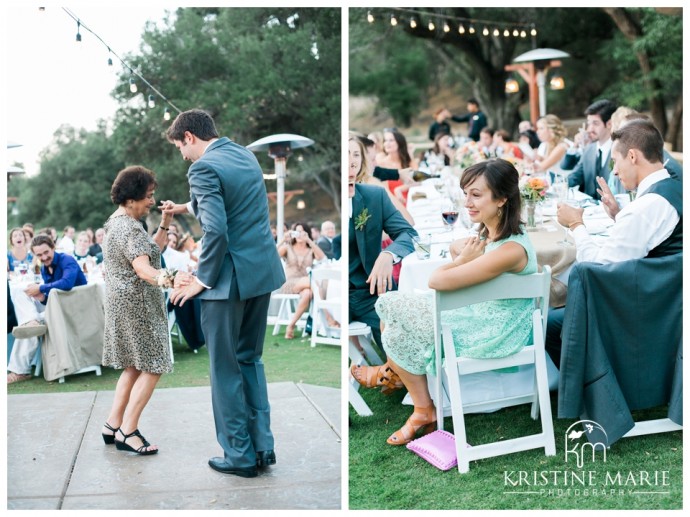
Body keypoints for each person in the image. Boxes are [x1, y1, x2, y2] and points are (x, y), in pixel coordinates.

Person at [352, 158, 538, 445]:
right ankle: (422, 408)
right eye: (466, 194)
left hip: (497, 334)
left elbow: (436, 280)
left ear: (501, 199)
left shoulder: (510, 249)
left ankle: (397, 379)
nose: (467, 202)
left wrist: (462, 259)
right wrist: (460, 255)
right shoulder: (492, 235)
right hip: (479, 317)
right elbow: (460, 265)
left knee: (390, 305)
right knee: (395, 326)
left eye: (476, 195)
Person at [163, 109, 285, 478]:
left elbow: (215, 230)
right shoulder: (244, 154)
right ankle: (262, 447)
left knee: (224, 368)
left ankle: (239, 455)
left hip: (226, 281)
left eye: (179, 148)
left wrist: (203, 278)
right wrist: (187, 205)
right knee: (250, 359)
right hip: (260, 273)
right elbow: (234, 204)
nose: (182, 157)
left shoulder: (201, 168)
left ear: (188, 136)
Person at [546, 119, 682, 367]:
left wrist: (576, 224)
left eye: (615, 162)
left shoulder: (645, 207)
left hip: (643, 307)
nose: (615, 172)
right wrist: (620, 215)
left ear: (632, 156)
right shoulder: (676, 188)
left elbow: (598, 270)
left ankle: (598, 383)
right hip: (670, 301)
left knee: (549, 324)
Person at [99, 165, 174, 456]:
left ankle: (112, 424)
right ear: (131, 198)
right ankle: (128, 431)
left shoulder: (116, 222)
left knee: (133, 365)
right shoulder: (129, 227)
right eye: (148, 196)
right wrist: (171, 279)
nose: (152, 201)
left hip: (122, 304)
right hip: (137, 306)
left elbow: (151, 251)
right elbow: (143, 268)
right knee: (154, 365)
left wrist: (165, 221)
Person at [348, 138, 417, 355]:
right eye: (345, 155)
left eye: (356, 155)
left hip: (370, 292)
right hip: (338, 296)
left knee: (404, 349)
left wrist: (388, 254)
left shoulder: (373, 195)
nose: (351, 162)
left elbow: (408, 233)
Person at [276, 221, 329, 339]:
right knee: (315, 281)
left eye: (302, 232)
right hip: (290, 283)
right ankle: (328, 317)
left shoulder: (310, 249)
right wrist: (282, 240)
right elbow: (271, 256)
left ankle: (291, 325)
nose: (299, 235)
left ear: (307, 233)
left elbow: (323, 258)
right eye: (297, 232)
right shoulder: (287, 247)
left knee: (308, 293)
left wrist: (309, 241)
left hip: (306, 285)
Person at [567, 99, 618, 199]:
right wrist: (552, 184)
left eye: (595, 123)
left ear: (609, 124)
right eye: (589, 123)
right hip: (589, 210)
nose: (590, 129)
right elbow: (574, 177)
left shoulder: (620, 151)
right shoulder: (589, 149)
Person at [376, 128, 419, 203]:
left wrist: (399, 189)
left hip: (411, 200)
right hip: (392, 202)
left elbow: (418, 180)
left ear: (400, 143)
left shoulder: (408, 161)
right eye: (385, 141)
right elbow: (384, 193)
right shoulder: (381, 164)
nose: (387, 143)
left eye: (391, 140)